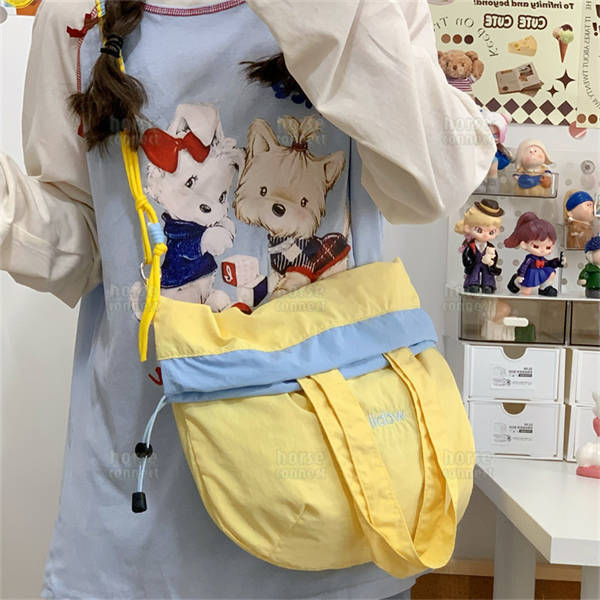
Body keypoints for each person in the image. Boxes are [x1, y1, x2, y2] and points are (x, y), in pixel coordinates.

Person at [0, 0, 495, 597]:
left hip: (338, 500)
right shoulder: (75, 16)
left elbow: (436, 184)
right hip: (140, 519)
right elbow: (94, 242)